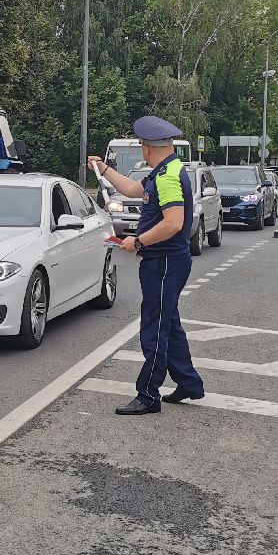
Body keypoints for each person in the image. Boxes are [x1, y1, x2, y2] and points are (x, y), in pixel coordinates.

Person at [88, 116, 205, 415]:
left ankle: (148, 395)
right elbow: (130, 189)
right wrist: (104, 169)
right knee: (170, 323)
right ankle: (189, 382)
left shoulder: (166, 177)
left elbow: (174, 223)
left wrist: (137, 242)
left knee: (155, 328)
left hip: (164, 261)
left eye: (141, 144)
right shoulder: (168, 170)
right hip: (166, 260)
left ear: (147, 148)